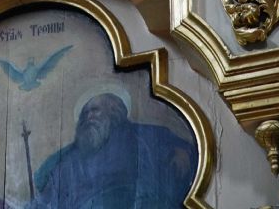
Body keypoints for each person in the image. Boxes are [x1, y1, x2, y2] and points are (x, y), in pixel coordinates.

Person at [29, 90, 195, 209]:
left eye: (95, 110)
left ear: (114, 112)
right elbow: (48, 194)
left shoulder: (141, 135)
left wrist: (182, 152)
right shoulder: (70, 158)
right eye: (85, 114)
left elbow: (183, 150)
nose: (89, 117)